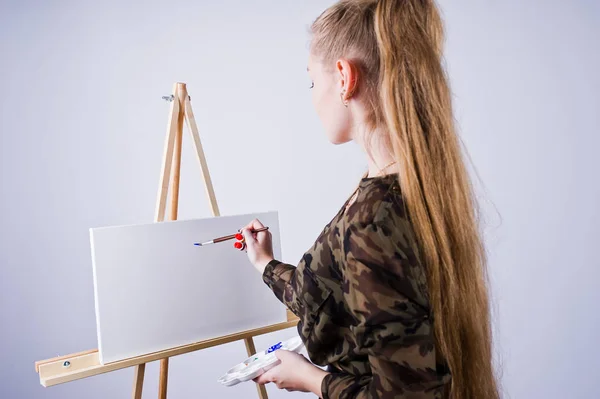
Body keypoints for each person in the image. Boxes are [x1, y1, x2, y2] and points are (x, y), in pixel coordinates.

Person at [239, 0, 500, 398]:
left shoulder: (371, 218)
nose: (312, 96)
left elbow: (407, 394)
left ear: (343, 77)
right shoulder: (402, 185)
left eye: (312, 81)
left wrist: (310, 378)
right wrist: (265, 263)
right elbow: (328, 295)